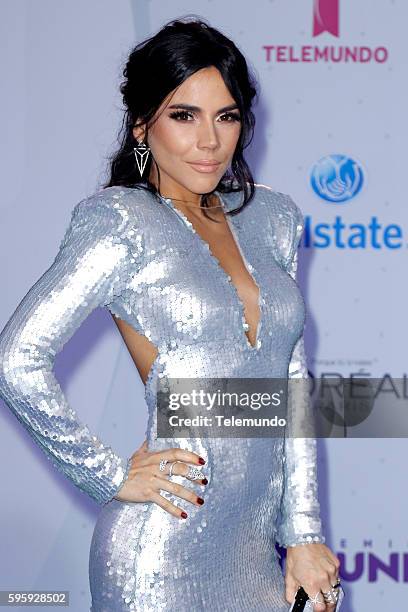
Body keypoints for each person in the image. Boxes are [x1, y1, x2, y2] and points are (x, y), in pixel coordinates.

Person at [0, 17, 341, 612]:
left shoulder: (275, 219)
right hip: (161, 551)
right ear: (141, 125)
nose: (210, 140)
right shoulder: (119, 221)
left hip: (257, 553)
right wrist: (106, 474)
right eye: (184, 115)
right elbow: (17, 358)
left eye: (226, 116)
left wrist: (305, 534)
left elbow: (290, 386)